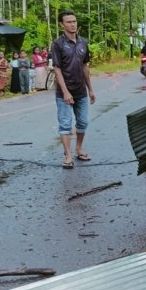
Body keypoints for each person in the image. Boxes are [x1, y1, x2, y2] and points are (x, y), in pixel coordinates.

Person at [52, 10, 96, 170]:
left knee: (83, 122)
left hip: (80, 91)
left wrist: (90, 89)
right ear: (61, 24)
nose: (72, 24)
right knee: (65, 124)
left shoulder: (83, 43)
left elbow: (85, 66)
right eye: (69, 22)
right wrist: (65, 92)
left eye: (74, 21)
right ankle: (68, 155)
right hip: (64, 92)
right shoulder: (58, 44)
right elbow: (57, 69)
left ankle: (78, 148)